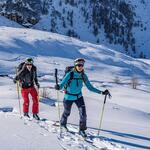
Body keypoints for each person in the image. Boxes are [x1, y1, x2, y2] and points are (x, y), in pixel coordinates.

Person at [55, 58, 110, 137]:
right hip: (68, 97)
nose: (80, 67)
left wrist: (101, 92)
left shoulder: (83, 76)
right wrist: (58, 87)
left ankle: (82, 130)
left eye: (82, 65)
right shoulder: (70, 74)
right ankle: (63, 124)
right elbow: (62, 85)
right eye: (79, 65)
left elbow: (90, 87)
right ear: (75, 66)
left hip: (79, 97)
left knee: (83, 114)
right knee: (67, 112)